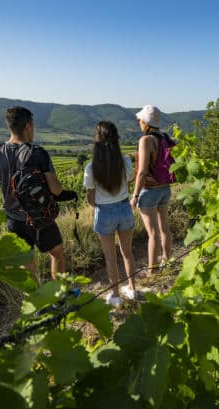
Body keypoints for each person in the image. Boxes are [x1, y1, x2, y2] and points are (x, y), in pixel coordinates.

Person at [0, 106, 75, 280]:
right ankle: (61, 297)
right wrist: (68, 193)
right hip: (41, 218)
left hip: (13, 220)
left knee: (26, 265)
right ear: (28, 126)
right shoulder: (38, 153)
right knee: (57, 254)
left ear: (10, 127)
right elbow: (56, 190)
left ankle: (35, 304)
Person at [83, 121, 138, 306]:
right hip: (124, 208)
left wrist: (99, 205)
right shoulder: (125, 161)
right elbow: (128, 183)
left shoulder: (91, 168)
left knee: (110, 257)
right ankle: (133, 289)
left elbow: (90, 199)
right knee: (127, 252)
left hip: (104, 212)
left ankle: (115, 296)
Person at [131, 104, 173, 276]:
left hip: (149, 191)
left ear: (145, 122)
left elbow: (141, 172)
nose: (138, 122)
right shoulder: (164, 138)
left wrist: (134, 195)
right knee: (164, 228)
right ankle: (167, 260)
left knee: (153, 233)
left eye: (140, 120)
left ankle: (152, 270)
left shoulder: (146, 140)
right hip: (165, 189)